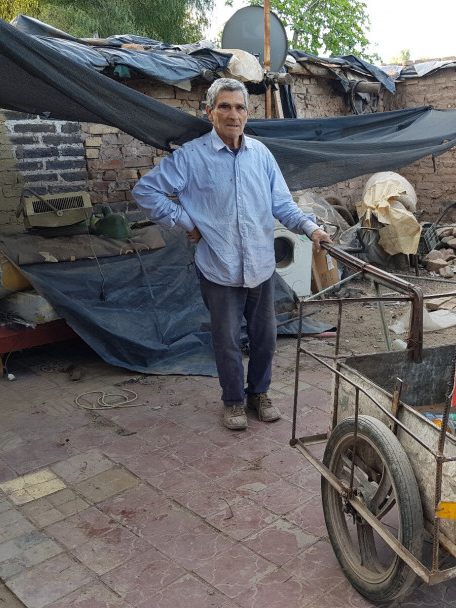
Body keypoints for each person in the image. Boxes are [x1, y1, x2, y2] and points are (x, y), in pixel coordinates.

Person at [132, 77, 332, 430]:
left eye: (239, 107)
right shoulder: (191, 157)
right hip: (218, 266)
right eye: (224, 106)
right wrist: (185, 222)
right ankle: (234, 401)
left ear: (247, 113)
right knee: (226, 341)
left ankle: (259, 394)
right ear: (210, 112)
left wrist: (311, 229)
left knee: (265, 338)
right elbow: (146, 191)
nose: (232, 114)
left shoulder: (262, 156)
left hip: (260, 266)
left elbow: (283, 204)